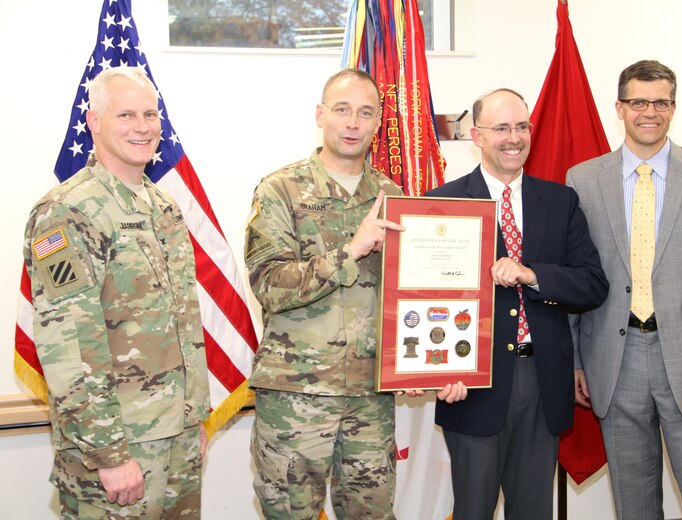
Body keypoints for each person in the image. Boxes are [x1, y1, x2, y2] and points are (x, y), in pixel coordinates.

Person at [566, 60, 682, 520]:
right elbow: (576, 277)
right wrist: (573, 360)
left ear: (673, 107)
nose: (649, 112)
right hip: (614, 364)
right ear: (620, 107)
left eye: (660, 102)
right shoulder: (583, 180)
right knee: (634, 507)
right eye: (638, 102)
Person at [23, 66, 211, 518]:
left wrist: (193, 418)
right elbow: (69, 344)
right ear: (94, 122)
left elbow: (179, 323)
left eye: (150, 114)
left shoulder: (162, 204)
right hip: (117, 444)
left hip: (177, 434)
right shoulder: (68, 211)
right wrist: (108, 453)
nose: (142, 127)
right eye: (126, 115)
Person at [429, 88, 609, 519]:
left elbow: (592, 284)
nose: (514, 137)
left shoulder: (561, 201)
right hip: (471, 385)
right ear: (476, 135)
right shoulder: (443, 203)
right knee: (473, 510)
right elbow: (425, 300)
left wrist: (533, 274)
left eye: (522, 126)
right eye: (502, 128)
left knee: (533, 512)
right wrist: (438, 367)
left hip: (542, 381)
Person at [244, 68, 409, 519]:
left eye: (365, 112)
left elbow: (411, 294)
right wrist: (350, 252)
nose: (353, 122)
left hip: (370, 399)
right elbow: (268, 284)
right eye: (342, 110)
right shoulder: (281, 189)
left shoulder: (392, 195)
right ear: (321, 115)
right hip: (297, 397)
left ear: (378, 123)